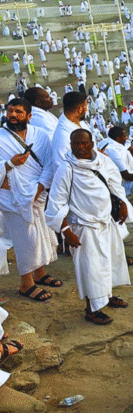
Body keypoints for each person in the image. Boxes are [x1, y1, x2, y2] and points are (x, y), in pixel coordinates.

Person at [45, 129, 133, 325]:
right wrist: (66, 231)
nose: (80, 147)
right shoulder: (66, 168)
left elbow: (114, 183)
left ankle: (107, 296)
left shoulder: (102, 161)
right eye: (75, 144)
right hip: (83, 226)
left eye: (84, 143)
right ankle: (91, 309)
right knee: (91, 270)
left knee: (109, 262)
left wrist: (123, 203)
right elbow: (56, 203)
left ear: (91, 144)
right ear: (71, 145)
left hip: (105, 221)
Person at [0, 98, 59, 302]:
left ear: (29, 116)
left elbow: (49, 165)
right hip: (11, 198)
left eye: (18, 111)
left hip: (38, 195)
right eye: (9, 111)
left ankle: (40, 273)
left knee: (42, 234)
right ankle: (26, 284)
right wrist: (9, 163)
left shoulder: (40, 135)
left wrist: (38, 189)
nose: (13, 115)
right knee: (26, 240)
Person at [98, 125, 133, 196]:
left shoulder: (108, 141)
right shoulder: (113, 150)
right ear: (118, 138)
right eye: (124, 136)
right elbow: (126, 176)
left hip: (127, 177)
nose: (126, 138)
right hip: (122, 184)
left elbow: (127, 146)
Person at [50, 91, 91, 167]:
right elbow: (60, 166)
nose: (86, 110)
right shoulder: (63, 136)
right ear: (80, 109)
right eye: (86, 107)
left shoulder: (81, 123)